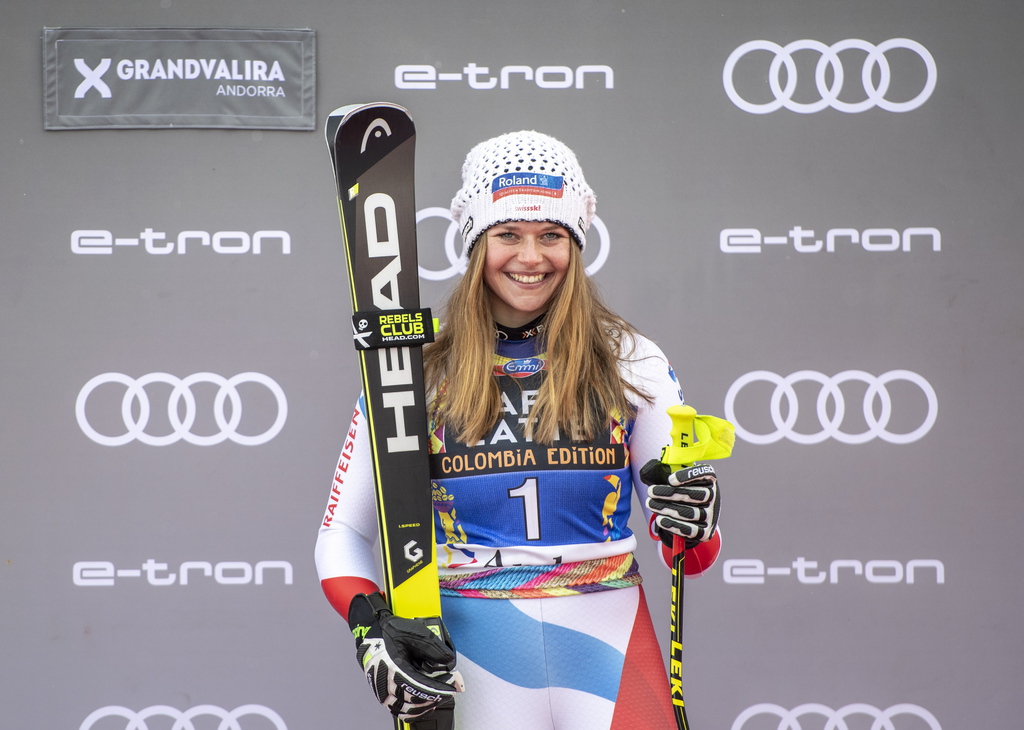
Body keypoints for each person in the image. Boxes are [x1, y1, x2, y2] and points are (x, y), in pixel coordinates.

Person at [315, 130, 723, 730]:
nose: (531, 258)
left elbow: (691, 549)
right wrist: (370, 622)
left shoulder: (629, 357)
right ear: (477, 244)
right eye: (508, 235)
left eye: (552, 236)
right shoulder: (417, 370)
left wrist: (695, 518)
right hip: (475, 650)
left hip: (608, 638)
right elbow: (343, 532)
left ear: (575, 245)